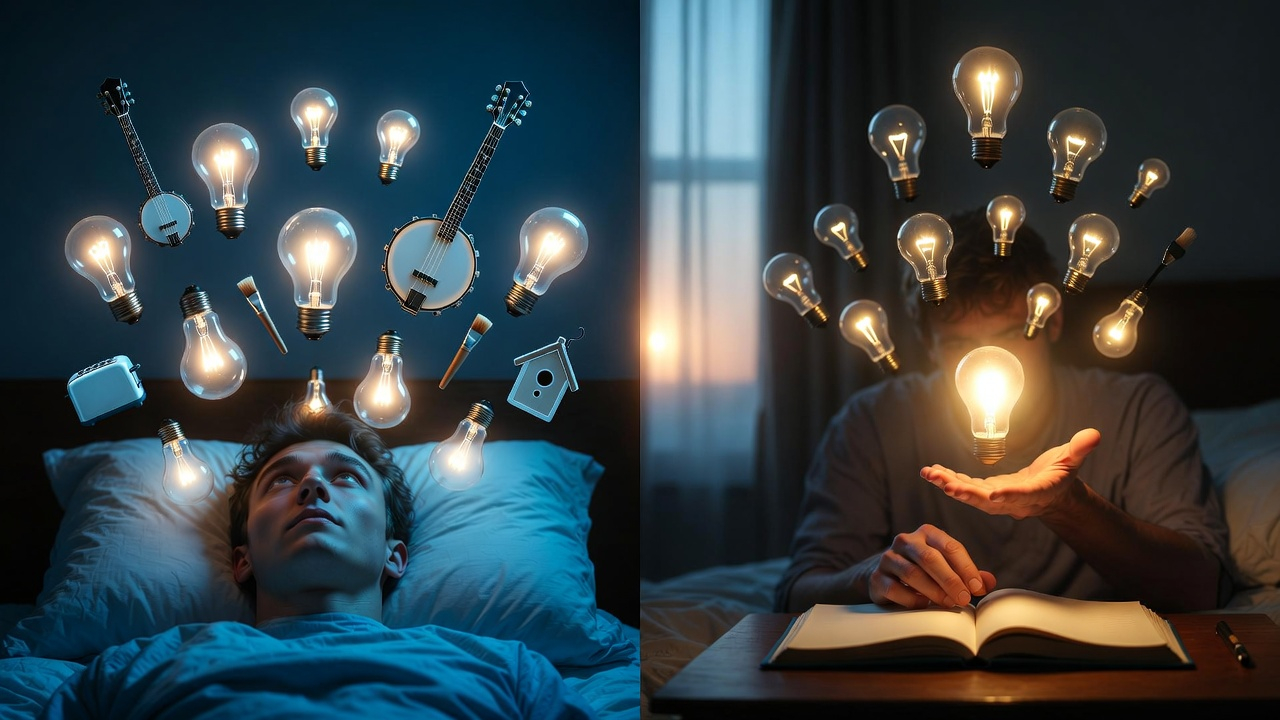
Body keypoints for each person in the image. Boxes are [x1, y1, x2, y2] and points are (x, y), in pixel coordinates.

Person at [774, 206, 1231, 615]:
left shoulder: (1137, 409)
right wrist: (874, 573)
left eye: (1012, 335)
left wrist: (1068, 505)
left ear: (1052, 320)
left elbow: (1201, 587)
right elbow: (796, 592)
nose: (987, 361)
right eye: (958, 344)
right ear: (928, 344)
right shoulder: (871, 421)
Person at [40, 401, 597, 719]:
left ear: (393, 555)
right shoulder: (133, 669)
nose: (312, 486)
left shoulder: (510, 672)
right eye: (282, 480)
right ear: (242, 562)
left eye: (345, 476)